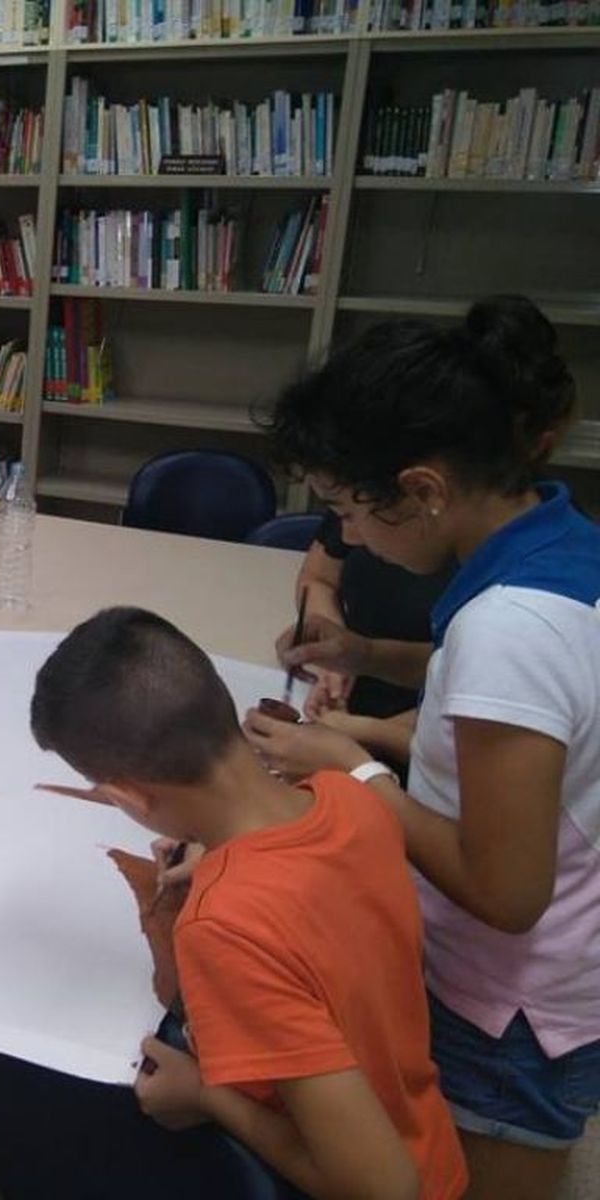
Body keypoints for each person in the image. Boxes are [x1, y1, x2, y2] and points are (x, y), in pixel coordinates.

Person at [247, 295, 596, 1200]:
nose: (350, 538)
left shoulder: (509, 629)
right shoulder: (559, 546)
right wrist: (365, 659)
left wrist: (355, 771)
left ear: (425, 490)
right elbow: (493, 711)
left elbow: (507, 893)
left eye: (350, 510)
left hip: (511, 1007)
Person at [18, 606, 466, 1199]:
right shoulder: (347, 798)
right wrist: (227, 861)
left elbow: (384, 1189)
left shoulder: (222, 926)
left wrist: (206, 1095)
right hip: (433, 1145)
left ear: (129, 796)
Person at [277, 515, 453, 772]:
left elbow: (459, 743)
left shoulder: (493, 606)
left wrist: (368, 738)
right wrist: (343, 654)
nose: (347, 537)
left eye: (350, 516)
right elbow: (318, 577)